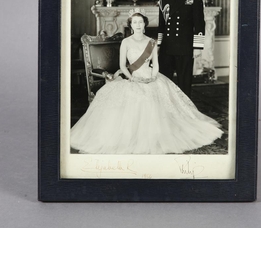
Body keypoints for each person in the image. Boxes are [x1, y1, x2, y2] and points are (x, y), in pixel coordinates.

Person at [70, 9, 222, 154]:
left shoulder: (151, 42)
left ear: (144, 24)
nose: (138, 25)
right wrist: (132, 78)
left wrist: (153, 77)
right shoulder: (126, 42)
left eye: (140, 22)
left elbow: (155, 64)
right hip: (132, 77)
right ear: (130, 24)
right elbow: (123, 66)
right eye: (134, 22)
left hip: (150, 77)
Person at [157, 0, 205, 98]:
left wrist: (198, 47)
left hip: (185, 46)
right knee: (164, 81)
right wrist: (159, 45)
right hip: (167, 47)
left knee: (184, 83)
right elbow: (162, 25)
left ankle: (185, 111)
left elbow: (199, 24)